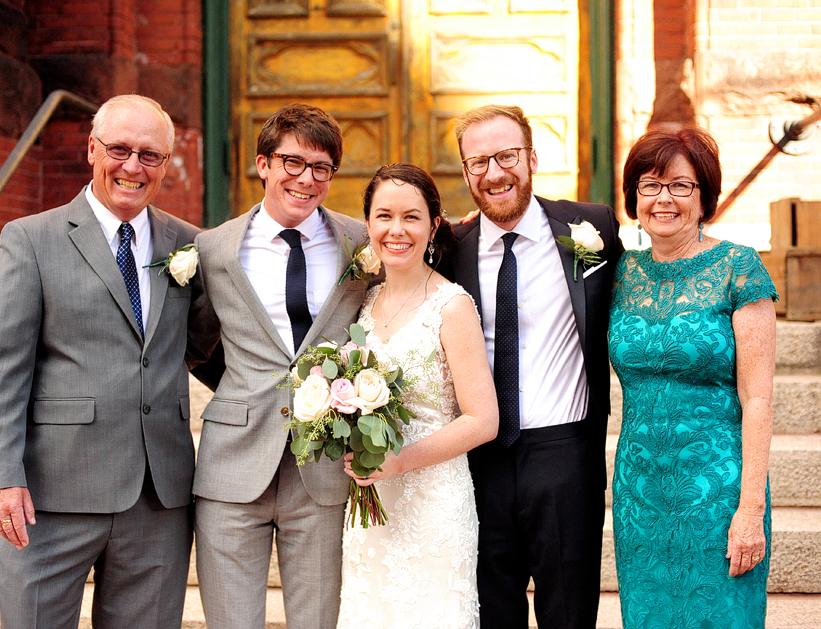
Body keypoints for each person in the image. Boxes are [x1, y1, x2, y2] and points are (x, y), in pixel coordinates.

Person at [0, 94, 198, 629]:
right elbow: (1, 369)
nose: (132, 167)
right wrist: (1, 476)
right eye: (119, 150)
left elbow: (212, 348)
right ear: (91, 149)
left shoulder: (187, 244)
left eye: (150, 155)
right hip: (50, 494)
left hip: (158, 498)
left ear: (165, 164)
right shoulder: (31, 239)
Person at [187, 103, 370, 629]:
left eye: (321, 168)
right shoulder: (214, 247)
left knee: (317, 620)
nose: (306, 179)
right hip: (231, 467)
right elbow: (198, 344)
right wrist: (244, 393)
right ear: (263, 164)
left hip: (323, 467)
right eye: (292, 162)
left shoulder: (360, 242)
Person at [447, 104, 623, 629]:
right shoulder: (449, 247)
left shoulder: (592, 228)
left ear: (532, 158)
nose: (495, 172)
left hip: (565, 453)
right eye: (479, 161)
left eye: (507, 155)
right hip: (477, 457)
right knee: (491, 608)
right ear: (465, 172)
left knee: (568, 610)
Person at [610, 126, 776, 628]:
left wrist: (749, 510)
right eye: (650, 185)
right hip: (640, 493)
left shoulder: (738, 269)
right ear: (633, 196)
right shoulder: (619, 271)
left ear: (704, 197)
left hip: (719, 490)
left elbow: (759, 398)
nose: (664, 199)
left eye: (681, 186)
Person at [336, 163, 499, 629]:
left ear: (433, 225)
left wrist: (400, 461)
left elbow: (483, 421)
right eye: (383, 216)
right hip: (370, 508)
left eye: (411, 216)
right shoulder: (364, 304)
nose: (396, 229)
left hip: (434, 506)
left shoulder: (452, 305)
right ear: (367, 224)